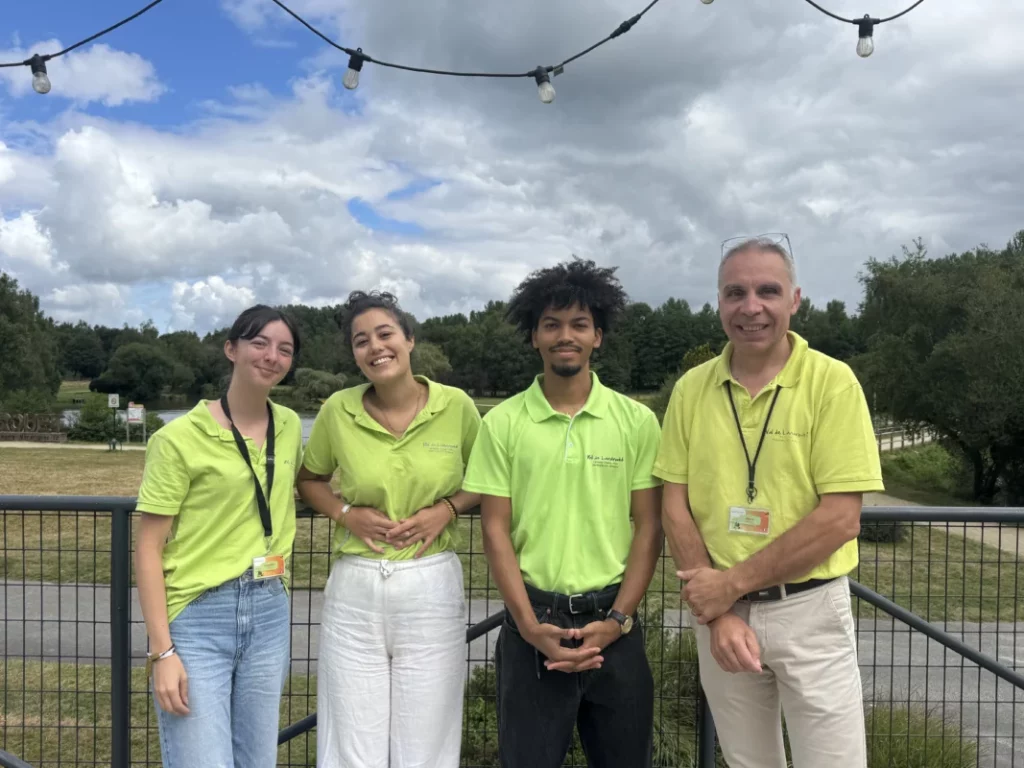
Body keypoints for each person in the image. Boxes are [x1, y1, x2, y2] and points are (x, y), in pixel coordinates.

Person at [654, 234, 884, 768]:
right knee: (747, 763)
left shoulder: (833, 384)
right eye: (735, 292)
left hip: (809, 611)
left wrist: (729, 586)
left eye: (767, 291)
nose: (750, 307)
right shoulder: (690, 390)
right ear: (718, 302)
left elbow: (840, 520)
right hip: (720, 615)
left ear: (794, 300)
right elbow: (674, 505)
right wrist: (718, 614)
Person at [463, 259, 663, 768]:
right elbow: (495, 530)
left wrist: (618, 620)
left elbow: (648, 528)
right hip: (532, 625)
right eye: (551, 325)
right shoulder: (503, 422)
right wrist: (529, 626)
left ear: (599, 335)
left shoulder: (636, 421)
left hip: (614, 628)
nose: (564, 336)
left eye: (579, 324)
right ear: (534, 337)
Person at [296, 290, 481, 768]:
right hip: (355, 586)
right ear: (354, 354)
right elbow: (310, 479)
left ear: (409, 339)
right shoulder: (338, 410)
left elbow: (489, 481)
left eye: (385, 333)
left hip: (431, 583)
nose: (375, 347)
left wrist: (450, 507)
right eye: (361, 341)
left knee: (427, 741)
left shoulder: (456, 406)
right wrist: (343, 514)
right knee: (352, 744)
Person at [134, 305, 304, 768]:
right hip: (198, 617)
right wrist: (162, 651)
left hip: (270, 610)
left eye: (284, 349)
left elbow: (309, 483)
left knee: (257, 760)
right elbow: (148, 549)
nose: (272, 356)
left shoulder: (288, 426)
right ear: (231, 349)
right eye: (259, 343)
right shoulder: (178, 439)